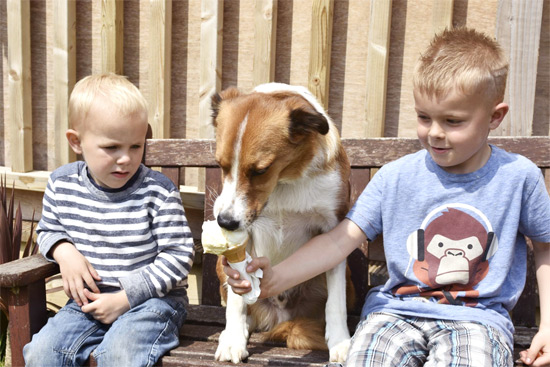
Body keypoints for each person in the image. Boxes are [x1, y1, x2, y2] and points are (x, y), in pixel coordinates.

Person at [224, 27, 550, 367]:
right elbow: (338, 242)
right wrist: (276, 278)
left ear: (495, 116)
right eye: (424, 117)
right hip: (394, 315)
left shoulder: (518, 177)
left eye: (453, 121)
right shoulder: (395, 176)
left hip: (476, 319)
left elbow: (546, 246)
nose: (435, 132)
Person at [23, 73, 195, 367]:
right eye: (112, 147)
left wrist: (125, 298)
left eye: (135, 146)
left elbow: (179, 257)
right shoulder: (62, 184)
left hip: (151, 304)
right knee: (43, 352)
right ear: (76, 142)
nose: (126, 158)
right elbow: (49, 229)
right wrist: (65, 252)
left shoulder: (158, 192)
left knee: (120, 353)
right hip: (87, 305)